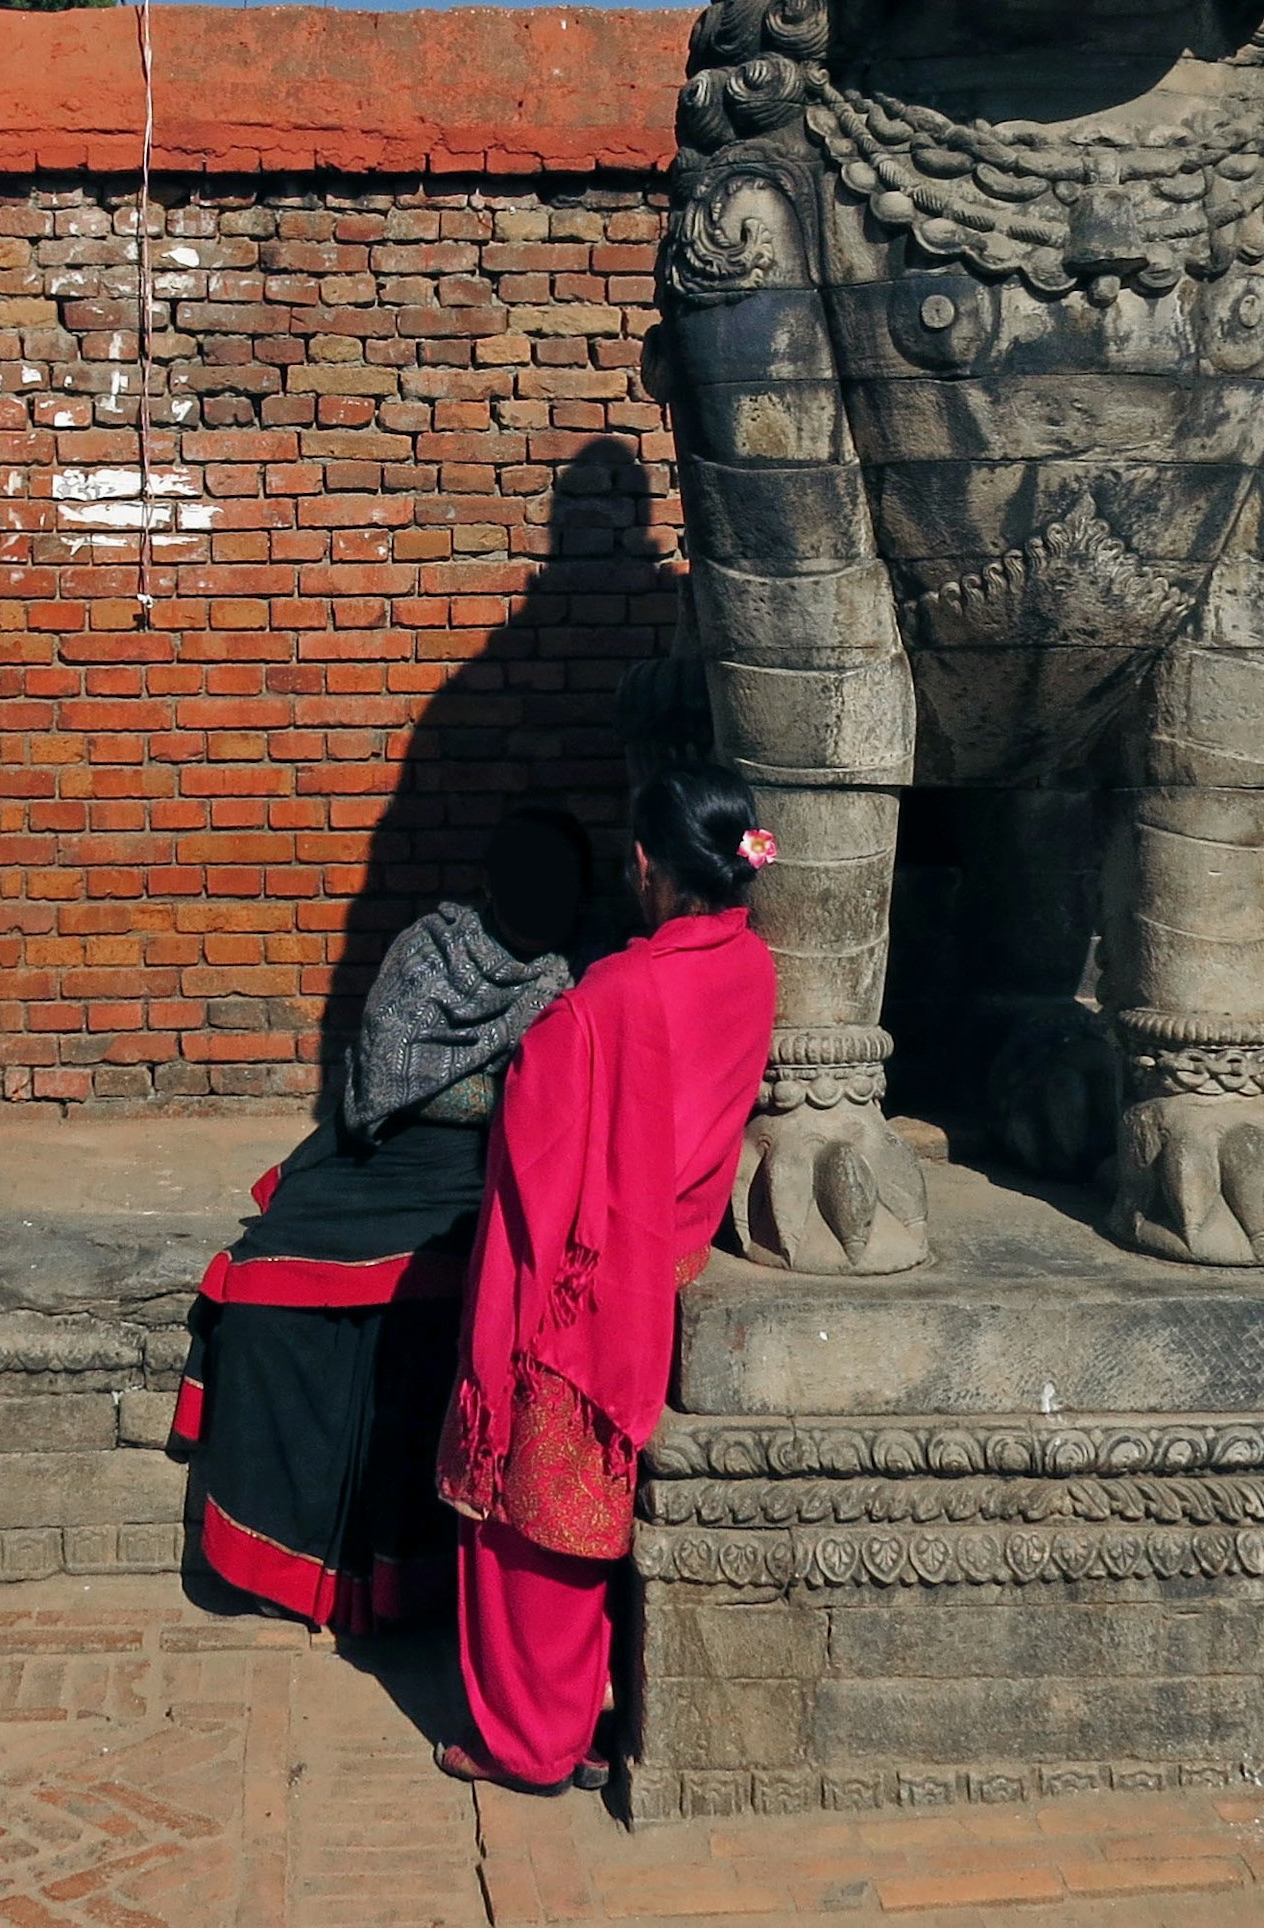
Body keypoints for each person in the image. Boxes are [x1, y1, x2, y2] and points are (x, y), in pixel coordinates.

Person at [433, 761, 780, 1791]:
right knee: (578, 1516)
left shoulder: (614, 997)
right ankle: (575, 1723)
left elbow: (540, 1147)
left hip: (579, 1285)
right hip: (659, 1260)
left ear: (644, 866)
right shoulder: (751, 967)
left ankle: (529, 1743)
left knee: (523, 1522)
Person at [172, 807, 595, 1633]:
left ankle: (403, 1585)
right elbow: (381, 1089)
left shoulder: (573, 967)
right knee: (262, 1295)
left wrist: (498, 1099)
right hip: (379, 1159)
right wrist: (501, 1084)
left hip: (487, 1175)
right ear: (489, 886)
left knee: (426, 1326)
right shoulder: (428, 951)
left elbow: (565, 1090)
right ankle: (285, 1565)